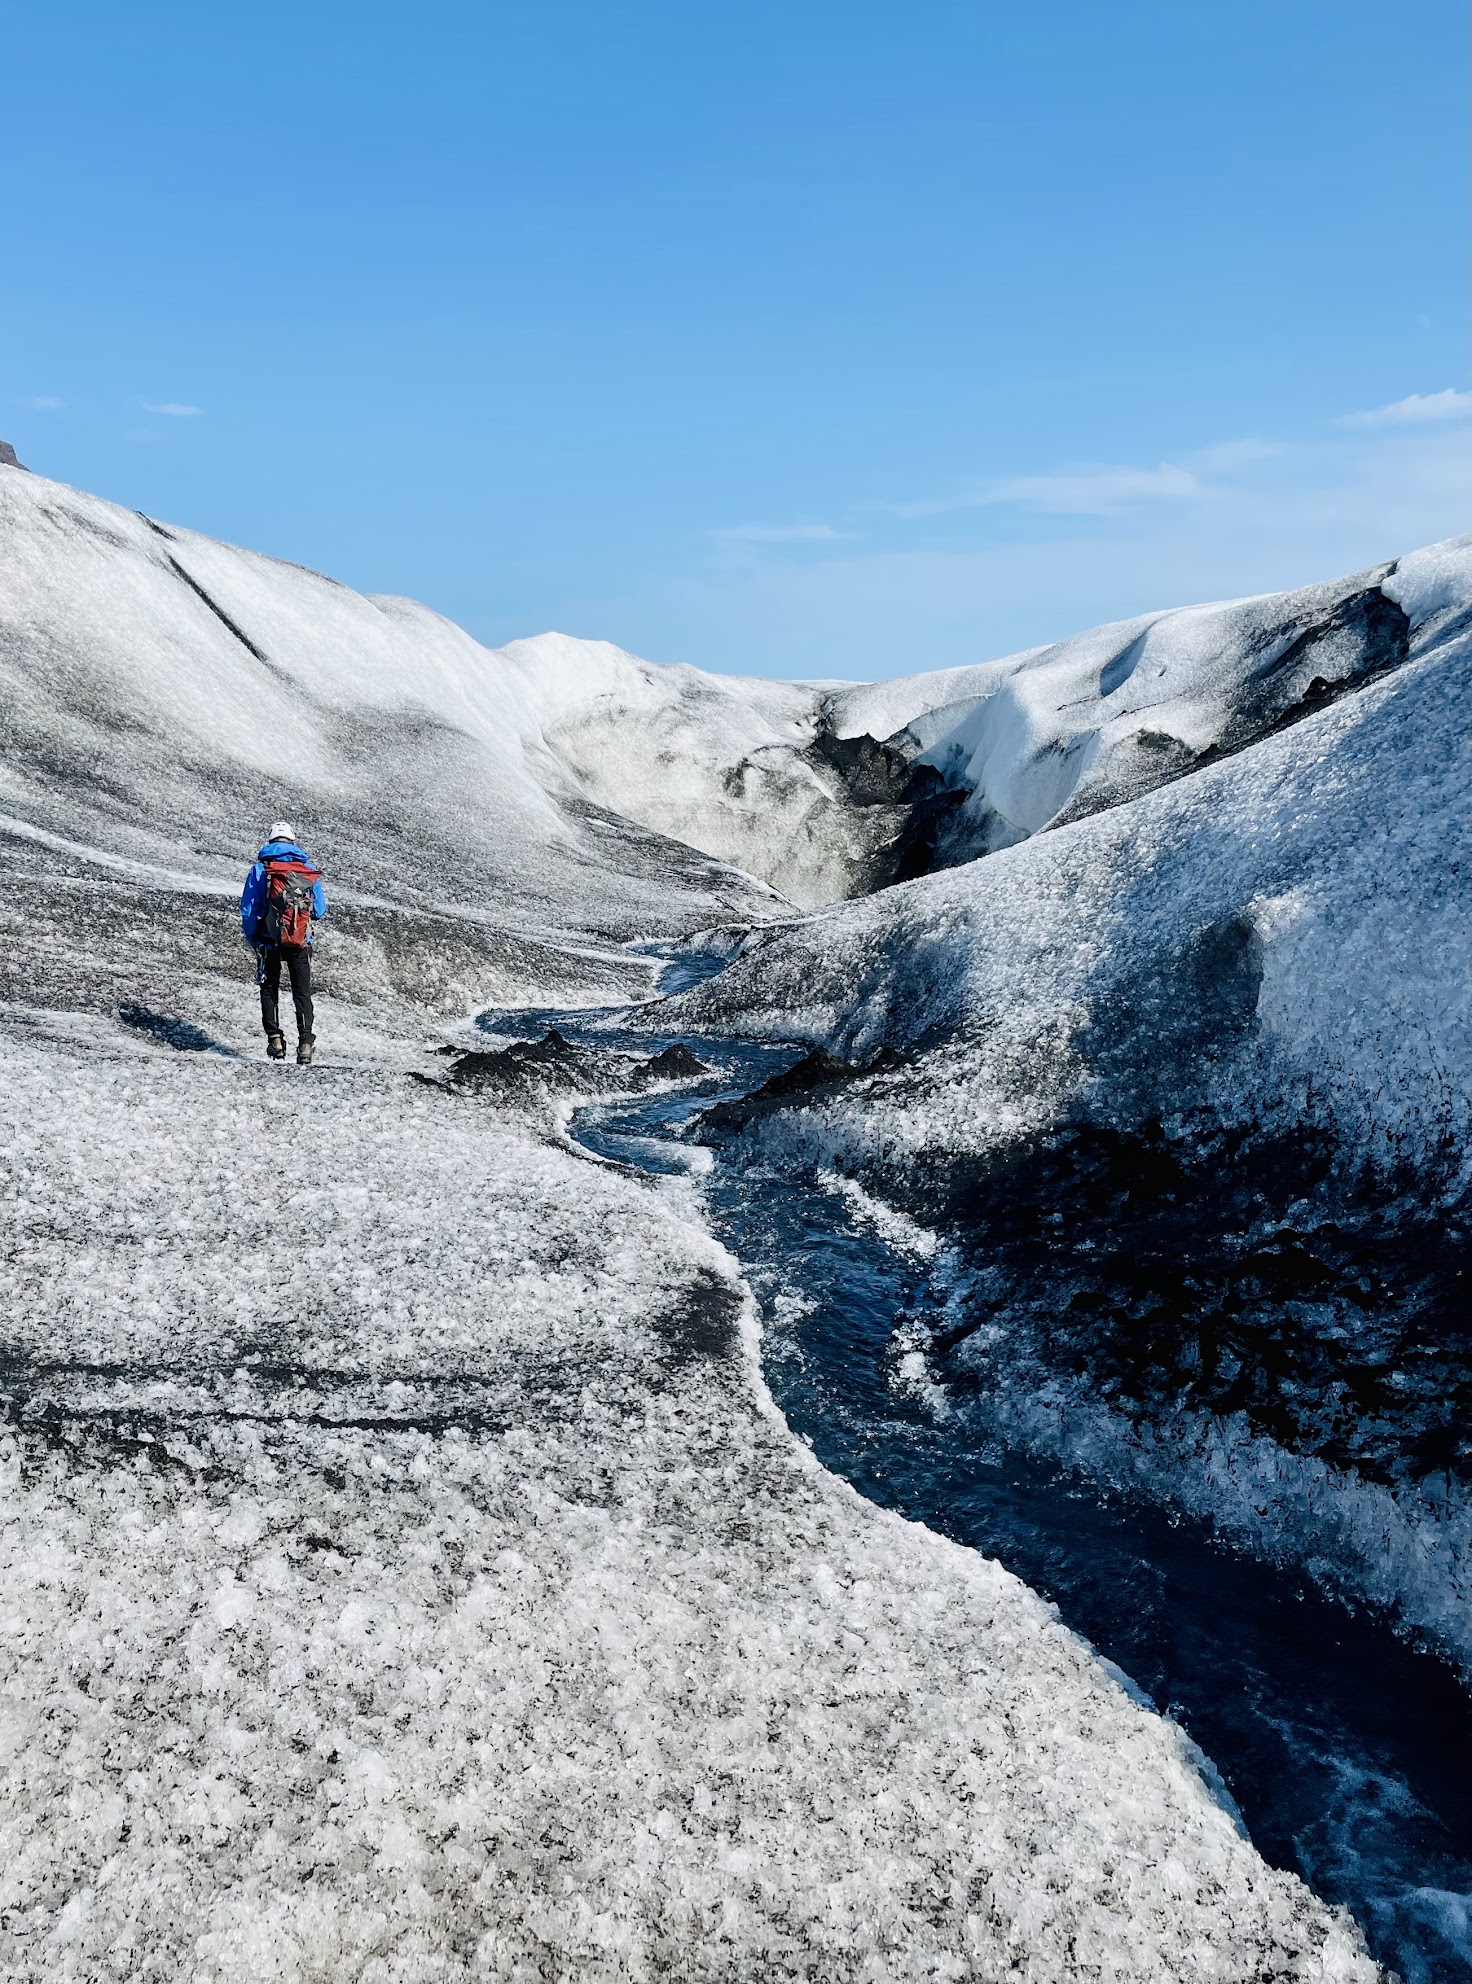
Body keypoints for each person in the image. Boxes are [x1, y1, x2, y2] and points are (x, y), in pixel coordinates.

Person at [239, 821, 328, 1064]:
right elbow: (320, 910)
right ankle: (306, 1044)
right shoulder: (306, 869)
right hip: (300, 941)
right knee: (302, 992)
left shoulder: (260, 869)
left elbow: (249, 908)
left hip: (268, 940)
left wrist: (253, 937)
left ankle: (275, 1041)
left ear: (270, 841)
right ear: (292, 840)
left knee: (269, 989)